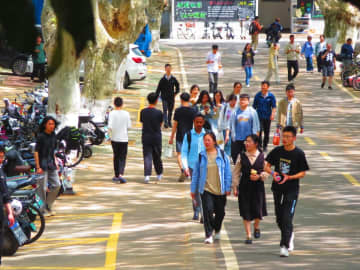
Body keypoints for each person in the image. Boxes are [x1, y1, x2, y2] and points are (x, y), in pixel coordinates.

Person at [265, 126, 309, 257]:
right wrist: (273, 173)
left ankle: (284, 245)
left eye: (288, 137)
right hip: (277, 188)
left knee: (286, 217)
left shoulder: (299, 153)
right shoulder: (277, 151)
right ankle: (289, 234)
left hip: (292, 190)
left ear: (294, 138)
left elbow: (302, 173)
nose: (285, 139)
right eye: (283, 136)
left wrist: (289, 177)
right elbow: (266, 166)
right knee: (279, 218)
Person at [191, 131, 232, 244]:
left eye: (209, 140)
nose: (206, 142)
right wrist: (192, 190)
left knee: (220, 213)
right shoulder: (201, 156)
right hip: (206, 189)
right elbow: (196, 174)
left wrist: (228, 187)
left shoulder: (223, 155)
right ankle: (208, 234)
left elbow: (228, 173)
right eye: (205, 140)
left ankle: (217, 229)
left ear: (214, 141)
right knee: (208, 211)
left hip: (220, 190)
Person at [232, 135, 268, 244]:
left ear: (256, 144)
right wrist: (235, 186)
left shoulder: (262, 156)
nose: (246, 144)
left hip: (258, 187)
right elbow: (236, 172)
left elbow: (267, 171)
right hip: (245, 186)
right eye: (245, 141)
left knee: (258, 211)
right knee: (245, 210)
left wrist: (260, 176)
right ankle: (248, 235)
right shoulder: (241, 156)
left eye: (249, 142)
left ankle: (256, 226)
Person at [181, 114, 206, 221]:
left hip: (206, 167)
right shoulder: (189, 135)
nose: (199, 124)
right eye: (197, 122)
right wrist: (185, 167)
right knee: (195, 190)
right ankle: (196, 210)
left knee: (204, 190)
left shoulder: (208, 135)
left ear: (203, 122)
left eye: (201, 122)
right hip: (192, 167)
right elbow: (184, 152)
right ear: (194, 122)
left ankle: (203, 213)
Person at [34, 116, 61, 217]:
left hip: (51, 164)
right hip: (42, 165)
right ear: (45, 125)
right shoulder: (41, 136)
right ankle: (41, 210)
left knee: (57, 185)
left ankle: (48, 205)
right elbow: (36, 152)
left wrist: (55, 161)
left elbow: (52, 150)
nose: (51, 126)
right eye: (49, 124)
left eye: (53, 124)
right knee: (42, 188)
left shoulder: (54, 135)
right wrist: (38, 167)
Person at [169, 93, 196, 182]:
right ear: (189, 99)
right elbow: (196, 124)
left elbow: (175, 125)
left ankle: (183, 169)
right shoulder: (192, 111)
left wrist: (171, 137)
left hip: (180, 135)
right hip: (190, 135)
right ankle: (188, 170)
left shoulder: (178, 110)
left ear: (181, 99)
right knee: (188, 154)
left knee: (179, 154)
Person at [225, 93, 260, 164]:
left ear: (248, 101)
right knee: (235, 157)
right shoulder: (235, 112)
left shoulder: (252, 112)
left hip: (248, 140)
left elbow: (257, 127)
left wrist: (256, 140)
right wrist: (227, 135)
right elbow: (229, 125)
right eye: (241, 100)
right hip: (237, 139)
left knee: (248, 158)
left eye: (244, 100)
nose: (242, 102)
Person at [140, 93, 163, 184]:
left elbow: (142, 123)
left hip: (146, 136)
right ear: (156, 101)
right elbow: (160, 124)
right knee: (157, 155)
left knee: (147, 156)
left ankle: (147, 175)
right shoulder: (159, 112)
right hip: (156, 136)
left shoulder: (143, 111)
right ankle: (159, 173)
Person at [108, 97, 132, 184]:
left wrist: (108, 136)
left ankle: (116, 175)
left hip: (114, 138)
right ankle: (121, 174)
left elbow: (109, 127)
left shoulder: (112, 113)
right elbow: (129, 126)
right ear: (122, 104)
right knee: (122, 157)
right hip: (124, 138)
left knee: (116, 156)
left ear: (114, 104)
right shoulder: (126, 113)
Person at [0, 145, 15, 266]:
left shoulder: (1, 172)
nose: (1, 159)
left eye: (2, 157)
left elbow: (5, 195)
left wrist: (9, 213)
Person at [253, 81, 277, 152]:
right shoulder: (257, 95)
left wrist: (272, 114)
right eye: (262, 86)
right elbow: (254, 106)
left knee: (267, 132)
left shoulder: (271, 96)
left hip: (267, 116)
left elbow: (274, 106)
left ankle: (265, 145)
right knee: (259, 131)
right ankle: (259, 145)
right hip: (259, 116)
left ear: (268, 87)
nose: (263, 87)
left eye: (265, 86)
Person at [155, 63, 180, 128]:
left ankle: (169, 122)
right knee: (165, 110)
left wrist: (175, 93)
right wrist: (156, 96)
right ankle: (165, 122)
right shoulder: (162, 79)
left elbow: (177, 87)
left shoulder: (173, 79)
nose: (168, 70)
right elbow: (158, 88)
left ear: (171, 69)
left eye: (169, 68)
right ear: (165, 69)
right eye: (167, 68)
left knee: (170, 110)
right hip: (164, 97)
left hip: (171, 97)